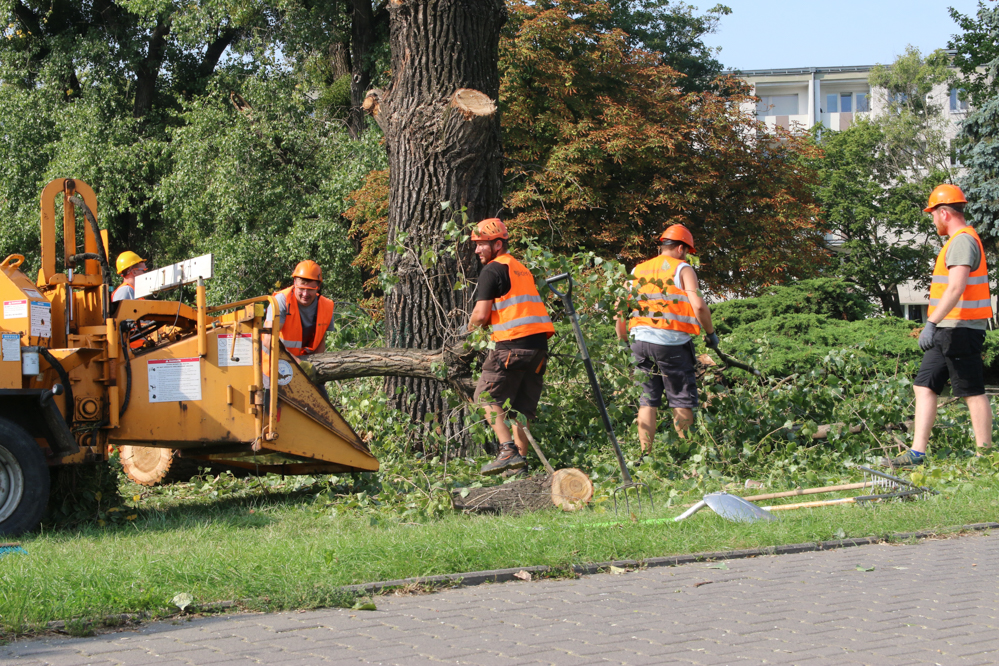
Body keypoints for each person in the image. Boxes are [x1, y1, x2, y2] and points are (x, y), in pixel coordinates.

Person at [889, 184, 993, 469]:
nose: (932, 220)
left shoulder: (962, 240)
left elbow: (957, 286)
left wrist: (930, 322)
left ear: (944, 213)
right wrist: (935, 326)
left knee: (971, 391)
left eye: (933, 214)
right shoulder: (957, 240)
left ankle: (985, 457)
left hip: (961, 328)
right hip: (948, 328)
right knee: (924, 385)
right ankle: (917, 454)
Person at [615, 223, 719, 460]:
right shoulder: (683, 269)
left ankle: (645, 457)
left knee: (647, 400)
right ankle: (687, 456)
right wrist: (711, 333)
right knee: (680, 398)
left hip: (639, 343)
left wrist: (623, 341)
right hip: (671, 344)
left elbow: (620, 311)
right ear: (681, 248)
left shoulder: (637, 270)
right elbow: (700, 305)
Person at [468, 218, 555, 476]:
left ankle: (507, 451)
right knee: (520, 409)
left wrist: (468, 333)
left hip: (512, 344)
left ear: (497, 244)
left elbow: (481, 315)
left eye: (481, 244)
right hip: (538, 347)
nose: (477, 250)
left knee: (484, 396)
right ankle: (518, 468)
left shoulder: (493, 270)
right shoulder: (520, 268)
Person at [265, 260, 335, 357]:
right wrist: (296, 363)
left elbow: (320, 342)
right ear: (294, 283)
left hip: (304, 361)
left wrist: (317, 366)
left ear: (318, 287)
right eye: (301, 288)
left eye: (310, 290)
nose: (305, 294)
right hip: (274, 362)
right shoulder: (281, 301)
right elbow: (268, 340)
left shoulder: (326, 306)